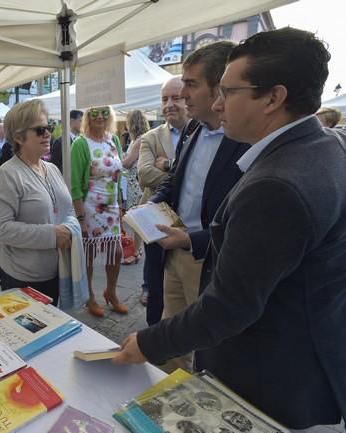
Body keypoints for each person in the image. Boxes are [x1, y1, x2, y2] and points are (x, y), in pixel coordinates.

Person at [113, 28, 346, 430]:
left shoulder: (277, 184)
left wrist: (148, 343)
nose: (218, 105)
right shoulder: (326, 146)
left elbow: (229, 307)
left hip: (272, 378)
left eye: (229, 91)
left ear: (274, 97)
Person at [146, 41, 250, 372]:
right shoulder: (193, 127)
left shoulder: (245, 139)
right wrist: (153, 204)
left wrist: (192, 240)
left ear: (218, 87)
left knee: (208, 348)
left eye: (191, 84)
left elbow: (242, 221)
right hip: (172, 252)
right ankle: (168, 404)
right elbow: (175, 179)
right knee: (172, 336)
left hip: (209, 259)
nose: (183, 93)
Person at [0, 99, 74, 305]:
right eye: (40, 130)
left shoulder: (52, 169)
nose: (47, 134)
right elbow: (1, 229)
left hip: (56, 269)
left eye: (49, 127)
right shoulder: (8, 174)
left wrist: (72, 227)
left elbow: (67, 208)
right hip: (22, 275)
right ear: (18, 137)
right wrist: (52, 234)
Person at [137, 76, 189, 323]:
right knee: (156, 278)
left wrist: (168, 165)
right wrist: (186, 177)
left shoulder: (201, 131)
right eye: (165, 99)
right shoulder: (152, 137)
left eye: (176, 97)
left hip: (191, 226)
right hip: (156, 218)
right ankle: (153, 328)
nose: (169, 104)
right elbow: (145, 174)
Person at [71, 106, 126, 317]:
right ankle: (90, 297)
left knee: (117, 253)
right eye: (94, 112)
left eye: (104, 112)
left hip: (111, 207)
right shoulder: (80, 144)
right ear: (87, 117)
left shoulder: (114, 140)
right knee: (89, 256)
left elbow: (119, 175)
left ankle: (111, 292)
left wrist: (120, 204)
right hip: (90, 207)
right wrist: (81, 218)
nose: (100, 116)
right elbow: (75, 184)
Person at [121, 110, 149, 265]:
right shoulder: (139, 139)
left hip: (135, 183)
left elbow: (126, 162)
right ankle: (136, 250)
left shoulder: (139, 140)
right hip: (134, 182)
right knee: (136, 218)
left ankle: (136, 251)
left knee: (136, 219)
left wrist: (119, 158)